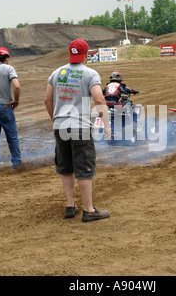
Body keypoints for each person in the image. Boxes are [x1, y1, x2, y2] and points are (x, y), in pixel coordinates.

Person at [45, 39, 112, 222]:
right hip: (80, 126)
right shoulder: (90, 73)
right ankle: (89, 209)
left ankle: (69, 205)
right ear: (86, 54)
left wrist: (56, 118)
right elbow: (99, 100)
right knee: (83, 167)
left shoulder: (57, 72)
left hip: (60, 125)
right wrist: (106, 124)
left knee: (66, 167)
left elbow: (47, 100)